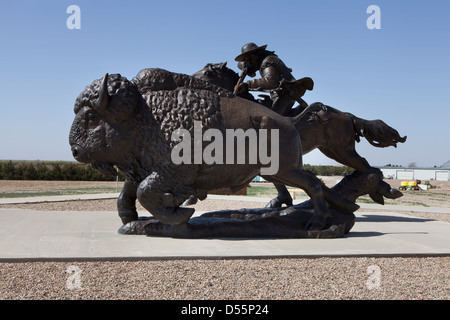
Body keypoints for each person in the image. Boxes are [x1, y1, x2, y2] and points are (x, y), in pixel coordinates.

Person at [234, 43, 312, 115]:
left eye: (250, 60)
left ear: (255, 55)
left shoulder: (267, 61)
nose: (250, 63)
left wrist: (248, 84)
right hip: (277, 96)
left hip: (285, 97)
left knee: (272, 121)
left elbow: (271, 82)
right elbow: (246, 68)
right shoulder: (263, 62)